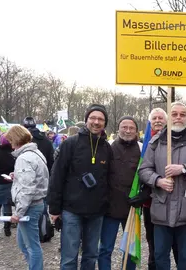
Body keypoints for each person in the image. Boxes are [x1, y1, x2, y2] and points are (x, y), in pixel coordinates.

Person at [139, 102, 186, 270]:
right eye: (174, 114)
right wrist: (158, 180)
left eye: (182, 114)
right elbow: (144, 170)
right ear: (169, 117)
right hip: (161, 209)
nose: (178, 117)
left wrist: (184, 168)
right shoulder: (156, 141)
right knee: (160, 255)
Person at [47, 104, 113, 270]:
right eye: (93, 118)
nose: (96, 122)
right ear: (86, 120)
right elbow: (57, 176)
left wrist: (106, 203)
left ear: (105, 123)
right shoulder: (70, 143)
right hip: (72, 210)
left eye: (100, 119)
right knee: (69, 257)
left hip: (96, 211)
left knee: (91, 256)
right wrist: (54, 208)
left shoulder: (107, 148)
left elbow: (109, 179)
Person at [98, 116, 140, 270]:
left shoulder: (142, 149)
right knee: (105, 248)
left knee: (130, 250)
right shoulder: (108, 147)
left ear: (136, 131)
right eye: (124, 127)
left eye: (131, 128)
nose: (127, 131)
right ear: (118, 129)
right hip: (110, 207)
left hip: (132, 207)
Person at [5, 125, 49, 270]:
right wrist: (17, 176)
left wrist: (18, 212)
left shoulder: (24, 158)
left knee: (31, 246)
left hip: (30, 206)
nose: (10, 144)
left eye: (11, 140)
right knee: (24, 244)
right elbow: (34, 179)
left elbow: (28, 188)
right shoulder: (35, 153)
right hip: (34, 204)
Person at [141, 108, 179, 270]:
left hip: (173, 200)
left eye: (160, 118)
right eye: (154, 118)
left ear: (166, 121)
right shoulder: (144, 142)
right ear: (150, 122)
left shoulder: (175, 138)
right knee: (153, 242)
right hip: (150, 203)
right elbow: (142, 169)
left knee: (177, 244)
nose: (157, 120)